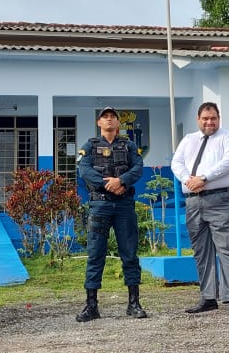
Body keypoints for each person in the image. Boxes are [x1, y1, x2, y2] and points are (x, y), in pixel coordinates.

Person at [170, 102, 229, 316]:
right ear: (198, 119)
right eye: (205, 118)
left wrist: (204, 177)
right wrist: (188, 180)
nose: (209, 122)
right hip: (194, 201)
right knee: (201, 251)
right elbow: (177, 163)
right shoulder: (189, 139)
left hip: (223, 199)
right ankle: (208, 296)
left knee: (227, 248)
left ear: (218, 118)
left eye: (213, 118)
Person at [75, 106, 147, 322]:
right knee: (95, 254)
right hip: (100, 205)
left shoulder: (129, 145)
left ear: (118, 123)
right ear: (99, 123)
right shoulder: (89, 146)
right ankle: (91, 305)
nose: (109, 120)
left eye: (113, 118)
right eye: (105, 117)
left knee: (130, 254)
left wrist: (121, 181)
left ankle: (133, 303)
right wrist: (108, 185)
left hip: (124, 205)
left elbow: (138, 167)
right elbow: (84, 170)